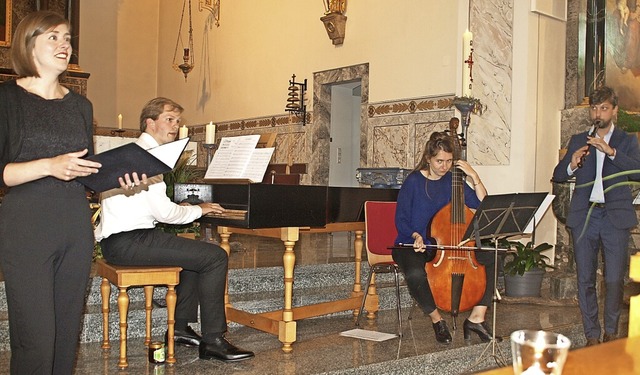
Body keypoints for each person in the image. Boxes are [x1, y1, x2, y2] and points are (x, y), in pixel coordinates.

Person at [94, 97, 255, 362]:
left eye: (178, 121)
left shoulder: (136, 152)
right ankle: (213, 340)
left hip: (120, 240)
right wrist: (200, 209)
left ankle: (179, 329)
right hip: (130, 242)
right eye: (169, 119)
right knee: (215, 257)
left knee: (194, 258)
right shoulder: (147, 158)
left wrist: (185, 206)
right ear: (150, 122)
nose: (175, 126)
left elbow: (149, 205)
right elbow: (166, 215)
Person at [0, 11, 103, 374]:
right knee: (36, 338)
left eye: (68, 38)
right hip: (27, 225)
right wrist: (48, 165)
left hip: (74, 223)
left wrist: (119, 178)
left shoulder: (80, 106)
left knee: (64, 335)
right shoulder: (6, 100)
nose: (65, 45)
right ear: (28, 44)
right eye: (54, 38)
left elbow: (81, 168)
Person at [553, 85, 640, 346]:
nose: (597, 113)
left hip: (614, 218)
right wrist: (572, 163)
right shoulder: (579, 140)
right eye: (594, 108)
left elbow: (637, 171)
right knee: (585, 279)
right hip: (585, 218)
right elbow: (558, 175)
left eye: (603, 108)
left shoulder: (627, 141)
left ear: (614, 110)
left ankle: (611, 332)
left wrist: (610, 152)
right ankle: (592, 334)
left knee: (614, 280)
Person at [393, 130, 498, 344]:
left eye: (449, 161)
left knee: (493, 256)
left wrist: (474, 177)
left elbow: (482, 206)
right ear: (428, 158)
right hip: (413, 243)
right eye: (439, 161)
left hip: (448, 245)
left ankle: (477, 318)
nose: (445, 166)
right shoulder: (413, 181)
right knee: (414, 272)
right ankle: (436, 319)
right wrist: (415, 236)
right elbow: (401, 219)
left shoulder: (454, 181)